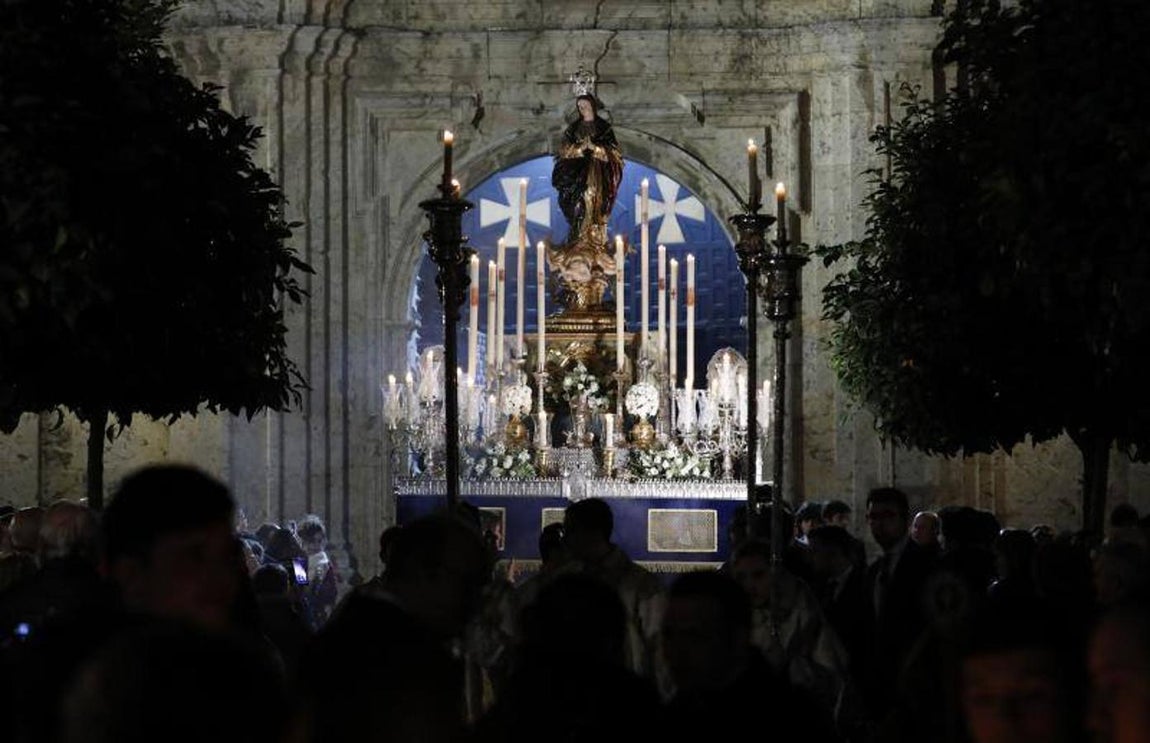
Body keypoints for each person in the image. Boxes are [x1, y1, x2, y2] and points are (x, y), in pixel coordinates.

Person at [552, 93, 623, 246]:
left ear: (592, 107)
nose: (582, 109)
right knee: (576, 200)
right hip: (575, 171)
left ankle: (593, 233)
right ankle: (578, 233)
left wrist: (595, 148)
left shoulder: (603, 128)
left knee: (592, 195)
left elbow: (615, 154)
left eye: (585, 106)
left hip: (597, 171)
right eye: (579, 107)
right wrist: (579, 148)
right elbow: (564, 150)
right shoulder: (574, 128)